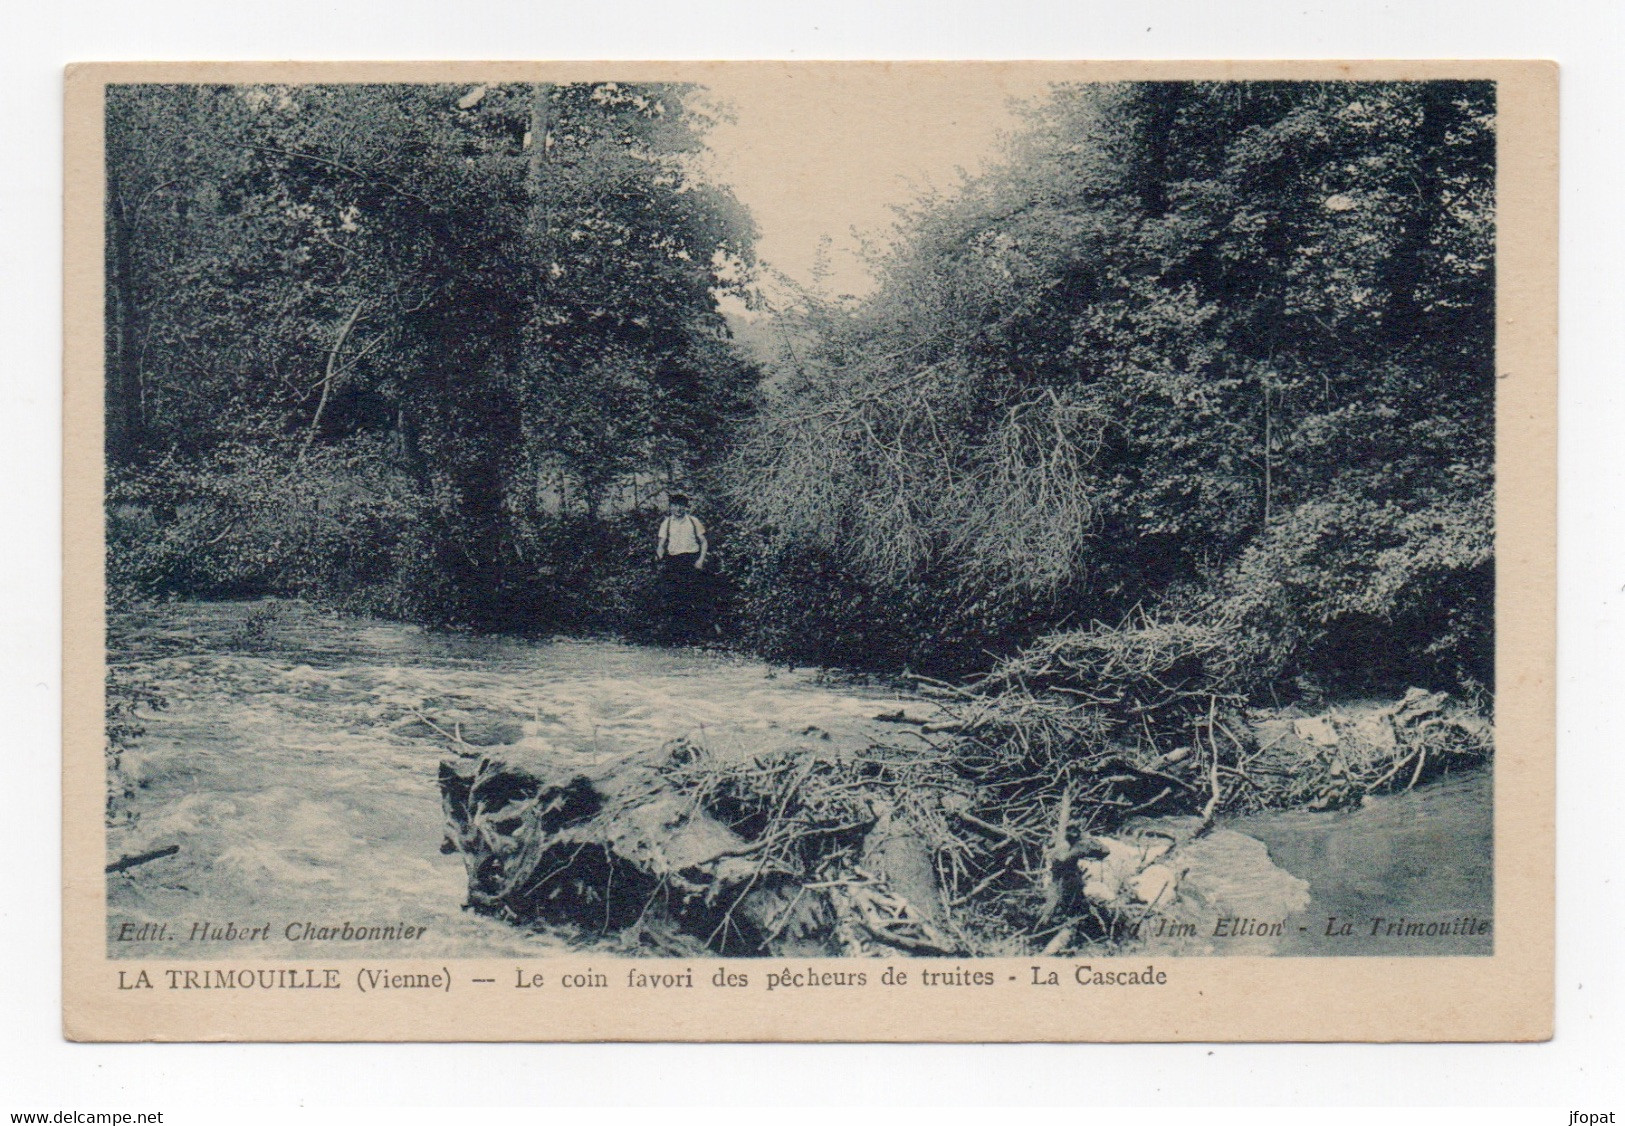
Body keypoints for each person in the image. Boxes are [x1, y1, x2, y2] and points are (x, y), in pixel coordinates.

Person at [655, 493, 708, 642]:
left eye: (681, 506)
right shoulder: (667, 523)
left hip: (691, 560)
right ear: (670, 507)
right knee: (674, 598)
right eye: (675, 506)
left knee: (694, 596)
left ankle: (697, 634)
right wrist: (660, 556)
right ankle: (677, 635)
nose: (678, 509)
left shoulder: (693, 521)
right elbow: (661, 544)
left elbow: (703, 542)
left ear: (686, 507)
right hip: (673, 562)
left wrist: (700, 560)